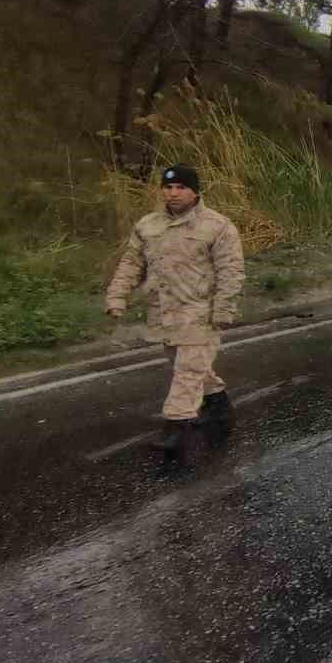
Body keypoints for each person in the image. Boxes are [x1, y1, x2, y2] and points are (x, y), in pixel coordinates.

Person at [106, 164, 246, 454]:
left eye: (181, 187)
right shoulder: (148, 225)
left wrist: (223, 310)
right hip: (164, 312)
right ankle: (219, 406)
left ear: (195, 191)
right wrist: (117, 296)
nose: (173, 193)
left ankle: (177, 426)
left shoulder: (217, 226)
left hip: (200, 313)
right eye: (168, 188)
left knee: (187, 370)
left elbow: (231, 271)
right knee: (188, 367)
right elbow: (132, 264)